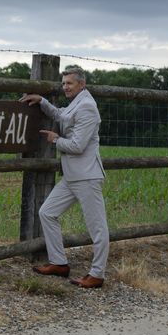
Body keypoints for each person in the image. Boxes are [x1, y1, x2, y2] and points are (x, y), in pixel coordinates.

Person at [19, 68, 109, 289]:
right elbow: (62, 115)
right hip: (72, 176)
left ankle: (97, 274)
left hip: (86, 177)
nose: (66, 87)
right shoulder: (78, 102)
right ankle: (59, 263)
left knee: (97, 228)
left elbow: (77, 146)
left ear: (82, 84)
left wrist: (55, 139)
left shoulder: (87, 106)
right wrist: (42, 101)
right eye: (64, 83)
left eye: (70, 83)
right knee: (47, 212)